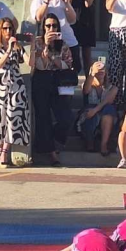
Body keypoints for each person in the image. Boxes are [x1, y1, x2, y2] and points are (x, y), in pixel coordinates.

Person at [30, 13, 76, 167]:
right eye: (48, 26)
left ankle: (55, 142)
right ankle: (52, 153)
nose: (51, 29)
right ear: (43, 27)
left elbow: (68, 65)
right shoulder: (37, 42)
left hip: (58, 80)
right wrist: (45, 47)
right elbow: (38, 65)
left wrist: (53, 56)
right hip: (41, 79)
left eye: (54, 26)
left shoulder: (62, 45)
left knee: (66, 117)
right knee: (43, 117)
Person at [0, 17, 29, 168]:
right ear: (0, 30)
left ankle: (4, 151)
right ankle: (0, 151)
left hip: (16, 85)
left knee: (13, 118)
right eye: (5, 28)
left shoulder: (18, 46)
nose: (8, 31)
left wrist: (33, 47)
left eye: (10, 28)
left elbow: (29, 63)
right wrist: (9, 49)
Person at [31, 0, 80, 74]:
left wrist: (66, 2)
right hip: (50, 44)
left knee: (72, 72)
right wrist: (47, 1)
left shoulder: (61, 0)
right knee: (48, 72)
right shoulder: (38, 0)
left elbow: (72, 19)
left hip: (68, 40)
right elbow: (39, 17)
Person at [79, 58, 118, 155]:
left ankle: (103, 144)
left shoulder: (113, 88)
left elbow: (108, 100)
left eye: (102, 69)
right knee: (89, 111)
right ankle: (90, 142)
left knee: (108, 109)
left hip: (106, 114)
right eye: (98, 69)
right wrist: (92, 72)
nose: (100, 71)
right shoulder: (87, 85)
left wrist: (95, 110)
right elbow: (86, 90)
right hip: (90, 114)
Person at [68, 0, 97, 69]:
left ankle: (88, 77)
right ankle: (72, 75)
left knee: (87, 55)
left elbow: (88, 3)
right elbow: (68, 2)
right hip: (73, 20)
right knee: (72, 52)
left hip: (86, 21)